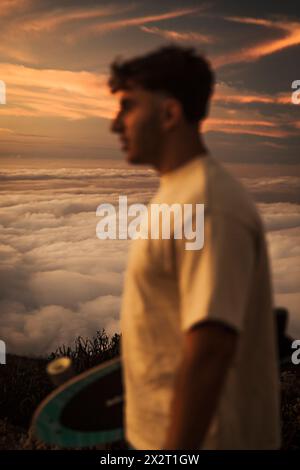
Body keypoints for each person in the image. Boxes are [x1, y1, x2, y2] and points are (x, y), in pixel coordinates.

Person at [108, 45, 281, 450]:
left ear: (170, 114)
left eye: (128, 107)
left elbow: (211, 351)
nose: (116, 124)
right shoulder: (179, 191)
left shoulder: (208, 204)